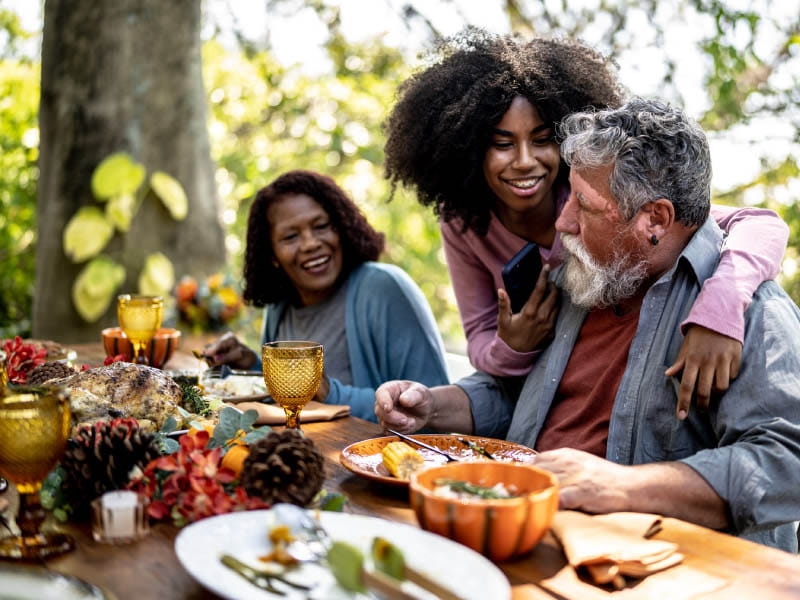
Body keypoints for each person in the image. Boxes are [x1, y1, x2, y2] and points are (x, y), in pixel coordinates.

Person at [376, 99, 800, 551]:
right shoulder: (583, 281)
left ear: (654, 219)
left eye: (583, 203)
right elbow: (519, 394)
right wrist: (431, 406)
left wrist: (620, 487)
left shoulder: (747, 310)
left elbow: (785, 461)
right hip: (521, 534)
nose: (562, 222)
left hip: (651, 566)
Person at [384, 28, 789, 417]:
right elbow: (482, 343)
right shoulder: (464, 224)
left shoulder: (590, 196)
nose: (525, 161)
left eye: (543, 140)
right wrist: (514, 347)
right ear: (469, 150)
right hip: (538, 388)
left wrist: (718, 311)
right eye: (503, 145)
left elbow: (757, 224)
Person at [204, 170, 449, 422]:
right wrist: (251, 369)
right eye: (290, 236)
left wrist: (326, 391)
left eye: (321, 226)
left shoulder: (383, 288)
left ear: (341, 227)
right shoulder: (280, 307)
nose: (310, 243)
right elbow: (287, 404)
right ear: (272, 254)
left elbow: (430, 410)